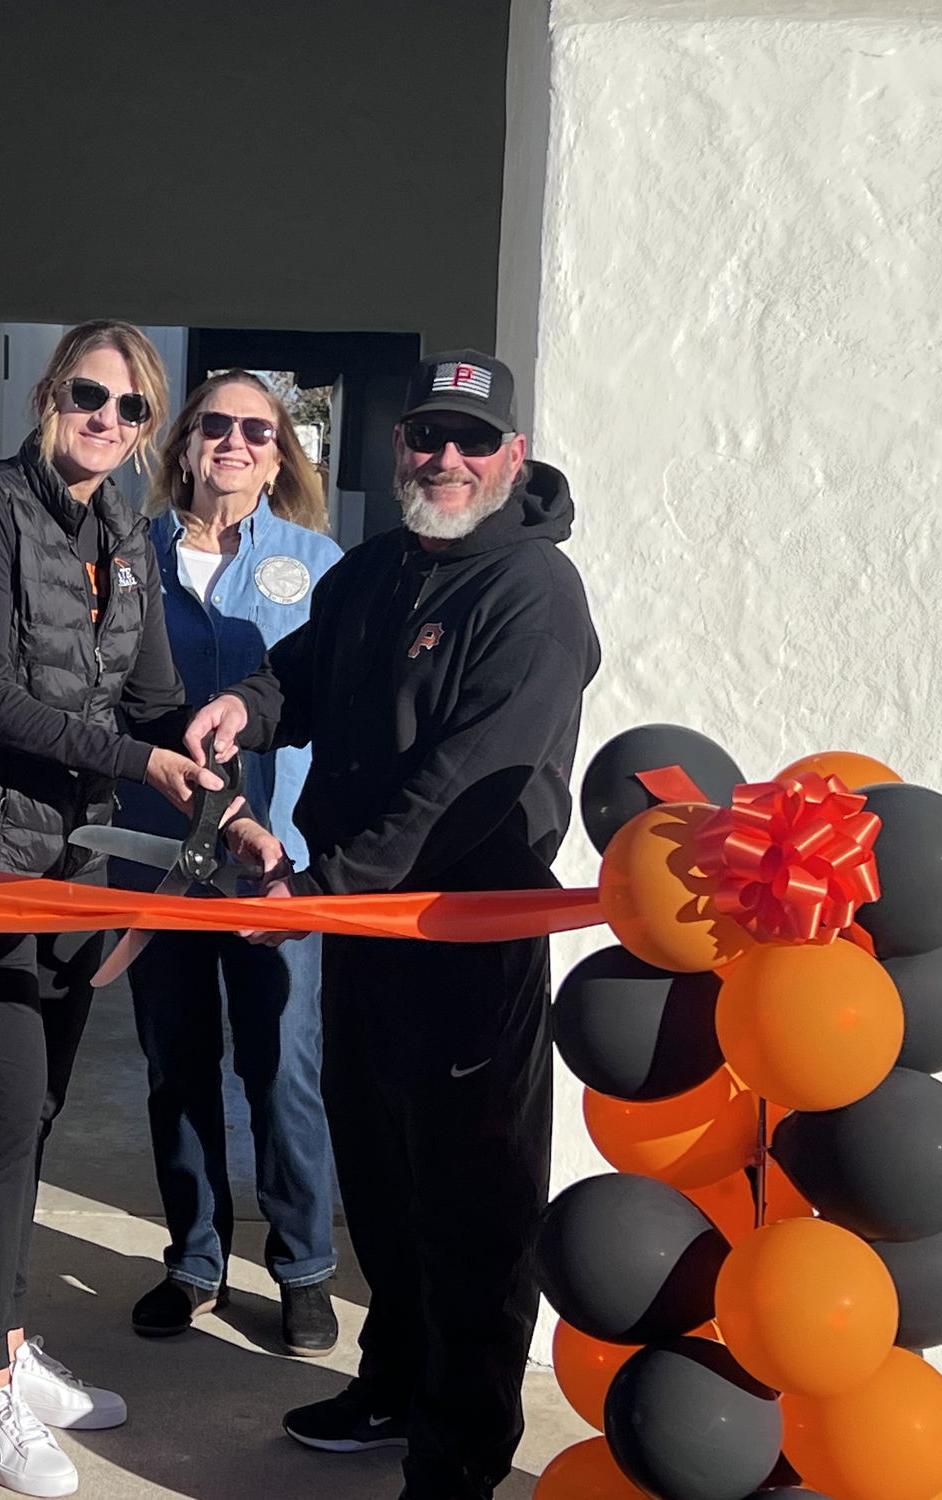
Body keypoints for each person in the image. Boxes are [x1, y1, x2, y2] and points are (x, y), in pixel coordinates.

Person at [187, 350, 601, 1500]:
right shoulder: (369, 572)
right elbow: (300, 679)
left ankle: (459, 1448)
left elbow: (469, 779)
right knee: (379, 1172)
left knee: (471, 1200)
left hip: (466, 937)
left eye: (472, 441)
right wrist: (246, 706)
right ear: (396, 447)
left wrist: (315, 895)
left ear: (512, 456)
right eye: (427, 436)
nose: (446, 459)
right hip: (366, 933)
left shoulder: (530, 592)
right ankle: (391, 1384)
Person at [0, 321, 275, 1497]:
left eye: (130, 408)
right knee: (2, 1113)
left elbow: (158, 699)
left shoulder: (124, 533)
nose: (105, 419)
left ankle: (1, 1340)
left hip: (69, 867)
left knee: (39, 1108)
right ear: (48, 396)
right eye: (86, 395)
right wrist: (128, 757)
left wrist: (231, 805)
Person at [113, 371, 343, 1356]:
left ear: (280, 452)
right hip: (154, 850)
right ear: (183, 443)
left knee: (284, 1066)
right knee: (176, 1062)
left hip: (271, 865)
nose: (236, 442)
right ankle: (193, 1256)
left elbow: (339, 708)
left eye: (258, 429)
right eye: (216, 424)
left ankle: (301, 1266)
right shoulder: (129, 555)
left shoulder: (317, 565)